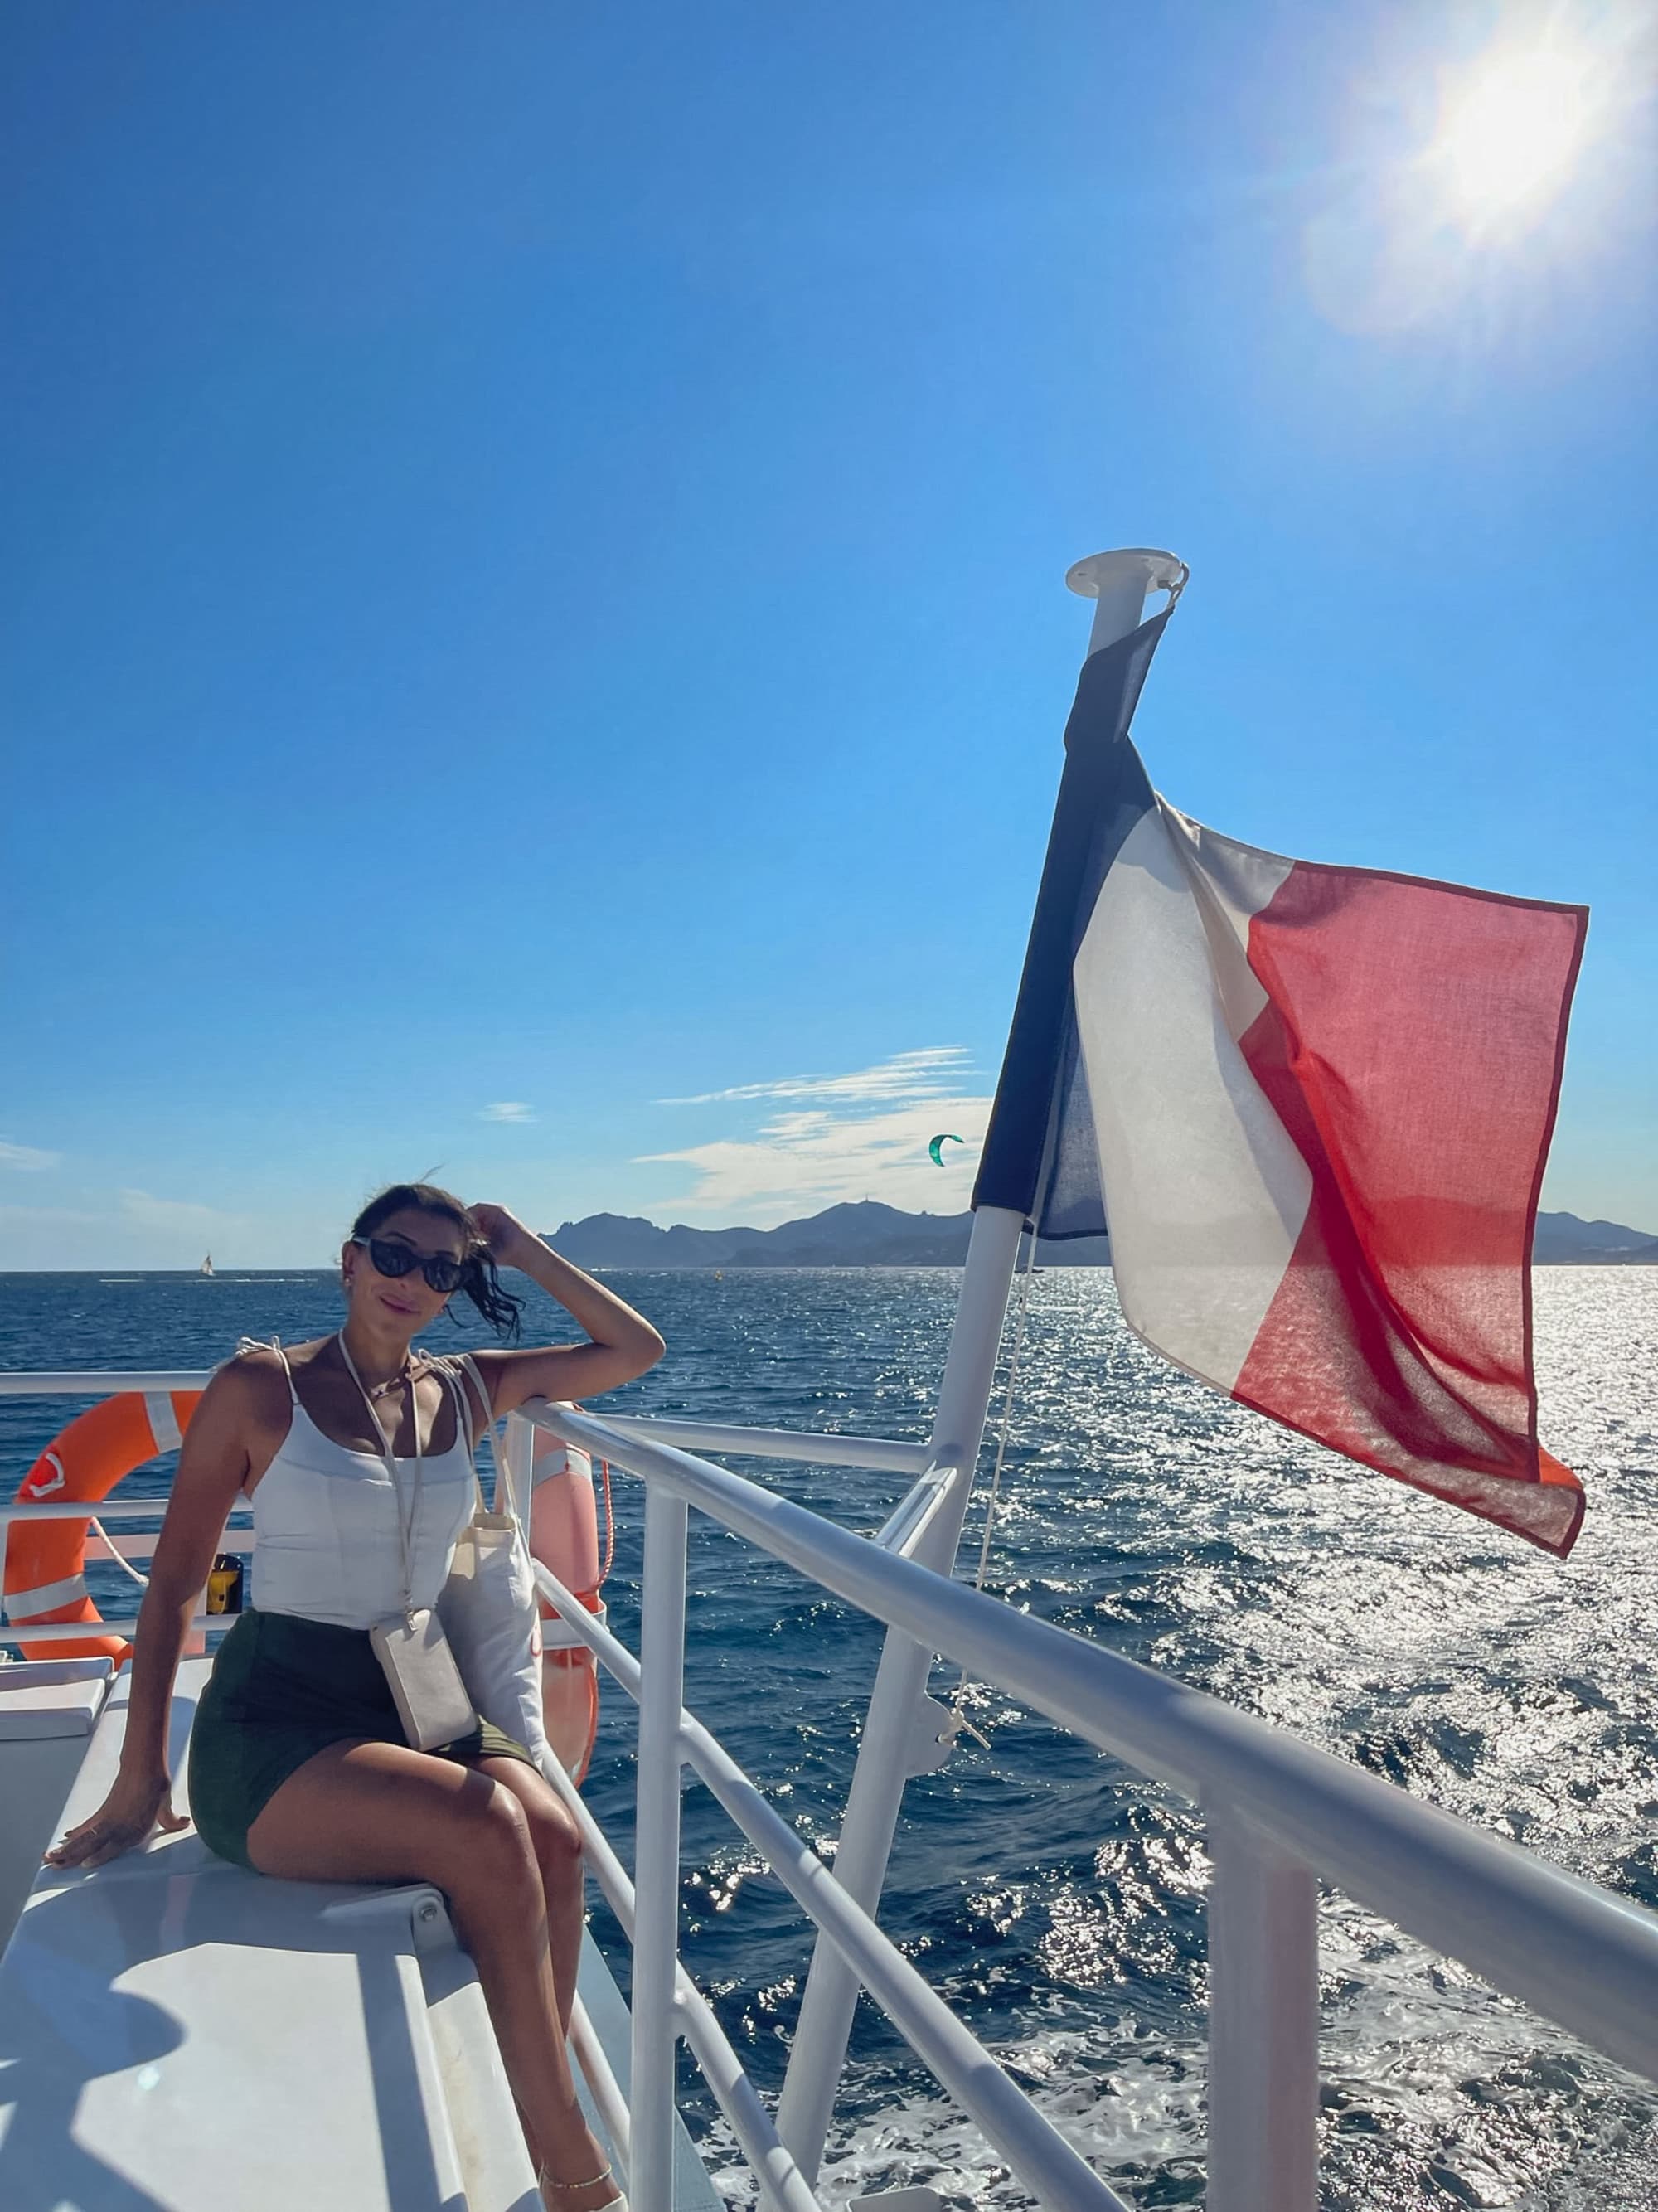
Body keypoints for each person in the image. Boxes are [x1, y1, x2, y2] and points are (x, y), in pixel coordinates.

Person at [46, 1182, 664, 2212]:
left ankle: (532, 2086)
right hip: (278, 1720)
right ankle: (569, 2166)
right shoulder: (261, 1387)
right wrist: (140, 1771)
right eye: (393, 1254)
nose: (412, 1279)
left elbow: (634, 1348)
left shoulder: (466, 1389)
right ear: (349, 1260)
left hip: (417, 1697)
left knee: (556, 1838)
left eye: (442, 1267)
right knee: (487, 1827)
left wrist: (525, 1250)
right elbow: (173, 1584)